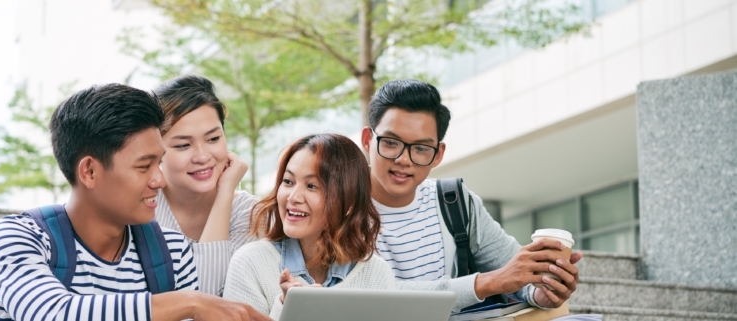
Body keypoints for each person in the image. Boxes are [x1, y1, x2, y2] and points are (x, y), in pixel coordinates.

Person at [0, 84, 269, 321]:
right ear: (89, 171)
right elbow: (50, 312)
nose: (158, 180)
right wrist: (188, 302)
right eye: (144, 167)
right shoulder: (17, 238)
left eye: (159, 163)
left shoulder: (171, 252)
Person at [360, 79, 582, 312]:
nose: (403, 159)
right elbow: (369, 294)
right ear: (367, 140)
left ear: (438, 155)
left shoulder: (453, 201)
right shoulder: (336, 205)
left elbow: (514, 271)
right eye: (391, 143)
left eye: (421, 148)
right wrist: (487, 282)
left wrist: (543, 290)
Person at [223, 134, 395, 319]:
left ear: (350, 202)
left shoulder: (376, 273)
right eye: (288, 182)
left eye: (312, 186)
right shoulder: (250, 263)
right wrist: (288, 308)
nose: (293, 197)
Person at [152, 75, 257, 296]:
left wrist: (225, 193)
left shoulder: (250, 213)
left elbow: (207, 297)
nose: (202, 156)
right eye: (183, 145)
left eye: (213, 139)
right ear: (156, 151)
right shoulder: (140, 210)